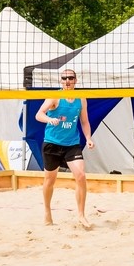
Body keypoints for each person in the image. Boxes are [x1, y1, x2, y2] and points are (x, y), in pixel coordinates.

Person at [36, 68, 95, 229]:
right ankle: (47, 211)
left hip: (72, 144)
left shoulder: (81, 99)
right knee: (50, 180)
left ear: (76, 80)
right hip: (52, 143)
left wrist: (88, 138)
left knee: (81, 176)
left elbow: (84, 121)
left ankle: (81, 215)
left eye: (70, 78)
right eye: (64, 78)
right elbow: (38, 114)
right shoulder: (55, 96)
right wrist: (49, 119)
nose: (67, 81)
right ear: (61, 81)